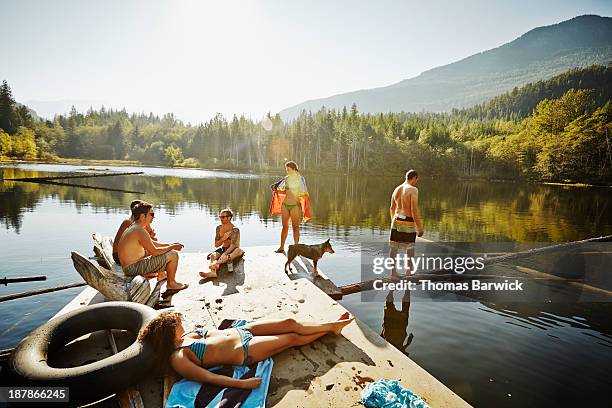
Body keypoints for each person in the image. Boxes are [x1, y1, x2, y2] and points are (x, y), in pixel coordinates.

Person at [137, 310, 354, 388]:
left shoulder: (184, 336)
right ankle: (331, 329)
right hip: (245, 350)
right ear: (169, 331)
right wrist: (241, 383)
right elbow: (207, 378)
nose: (181, 322)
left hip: (244, 331)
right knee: (291, 338)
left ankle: (331, 325)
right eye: (177, 322)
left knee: (290, 322)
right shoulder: (178, 357)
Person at [118, 201, 189, 291]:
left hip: (129, 267)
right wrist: (171, 248)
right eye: (151, 214)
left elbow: (153, 243)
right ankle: (171, 283)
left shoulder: (135, 227)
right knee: (173, 255)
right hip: (133, 268)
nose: (153, 217)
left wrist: (171, 245)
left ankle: (162, 275)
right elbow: (154, 251)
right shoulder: (139, 230)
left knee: (167, 251)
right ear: (143, 216)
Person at [269, 161, 311, 253]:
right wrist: (275, 188)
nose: (287, 171)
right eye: (286, 170)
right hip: (285, 205)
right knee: (285, 227)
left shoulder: (300, 179)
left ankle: (296, 248)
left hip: (295, 206)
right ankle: (281, 247)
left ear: (294, 169)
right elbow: (284, 190)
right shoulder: (286, 179)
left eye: (288, 170)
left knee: (295, 227)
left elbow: (304, 192)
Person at [389, 169, 423, 277]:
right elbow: (413, 210)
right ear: (414, 178)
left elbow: (392, 208)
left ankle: (393, 273)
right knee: (410, 247)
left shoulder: (397, 189)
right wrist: (420, 227)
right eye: (416, 180)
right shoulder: (413, 189)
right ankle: (409, 272)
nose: (416, 182)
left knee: (394, 247)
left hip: (396, 219)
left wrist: (393, 222)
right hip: (407, 221)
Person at [199, 208, 244, 279]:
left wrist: (224, 254)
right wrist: (223, 238)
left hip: (234, 250)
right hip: (224, 248)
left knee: (234, 253)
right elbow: (216, 245)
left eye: (223, 217)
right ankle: (213, 273)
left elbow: (232, 246)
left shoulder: (235, 230)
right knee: (213, 256)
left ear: (229, 218)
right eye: (220, 217)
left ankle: (216, 264)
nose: (221, 219)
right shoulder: (218, 228)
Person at [112, 199, 157, 265]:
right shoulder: (130, 223)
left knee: (153, 248)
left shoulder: (133, 223)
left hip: (122, 255)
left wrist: (147, 225)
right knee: (154, 251)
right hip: (119, 256)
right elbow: (149, 241)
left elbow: (151, 238)